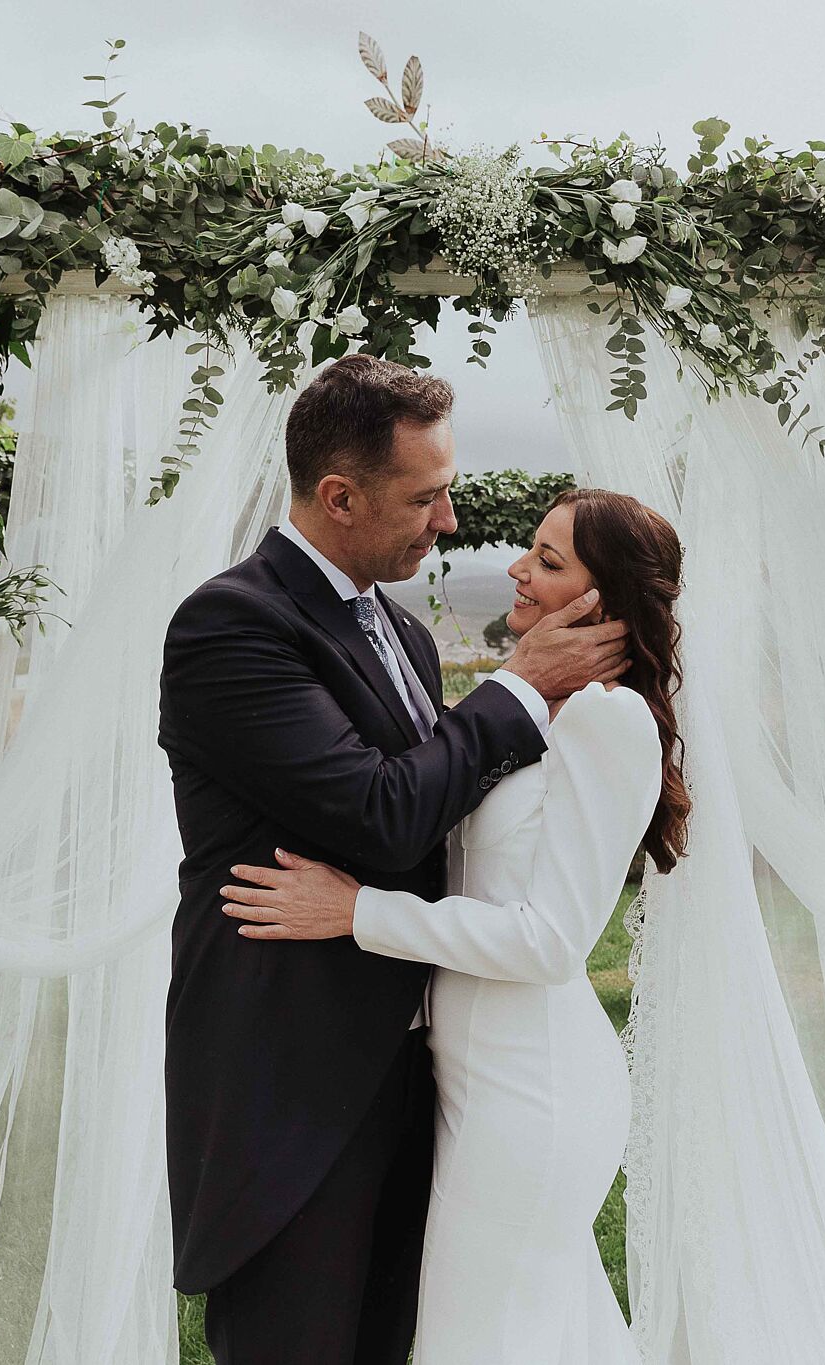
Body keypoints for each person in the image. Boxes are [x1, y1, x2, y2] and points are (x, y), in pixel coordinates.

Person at [156, 357, 629, 1365]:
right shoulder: (232, 626)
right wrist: (516, 690)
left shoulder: (406, 640)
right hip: (293, 1086)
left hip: (429, 1081)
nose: (448, 522)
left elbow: (443, 814)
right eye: (424, 498)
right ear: (339, 496)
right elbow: (377, 817)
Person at [222, 488, 687, 1364]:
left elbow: (552, 939)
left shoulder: (609, 716)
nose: (518, 567)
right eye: (530, 550)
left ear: (605, 600)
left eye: (550, 562)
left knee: (476, 1342)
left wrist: (355, 912)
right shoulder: (539, 710)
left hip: (532, 1087)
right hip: (473, 1079)